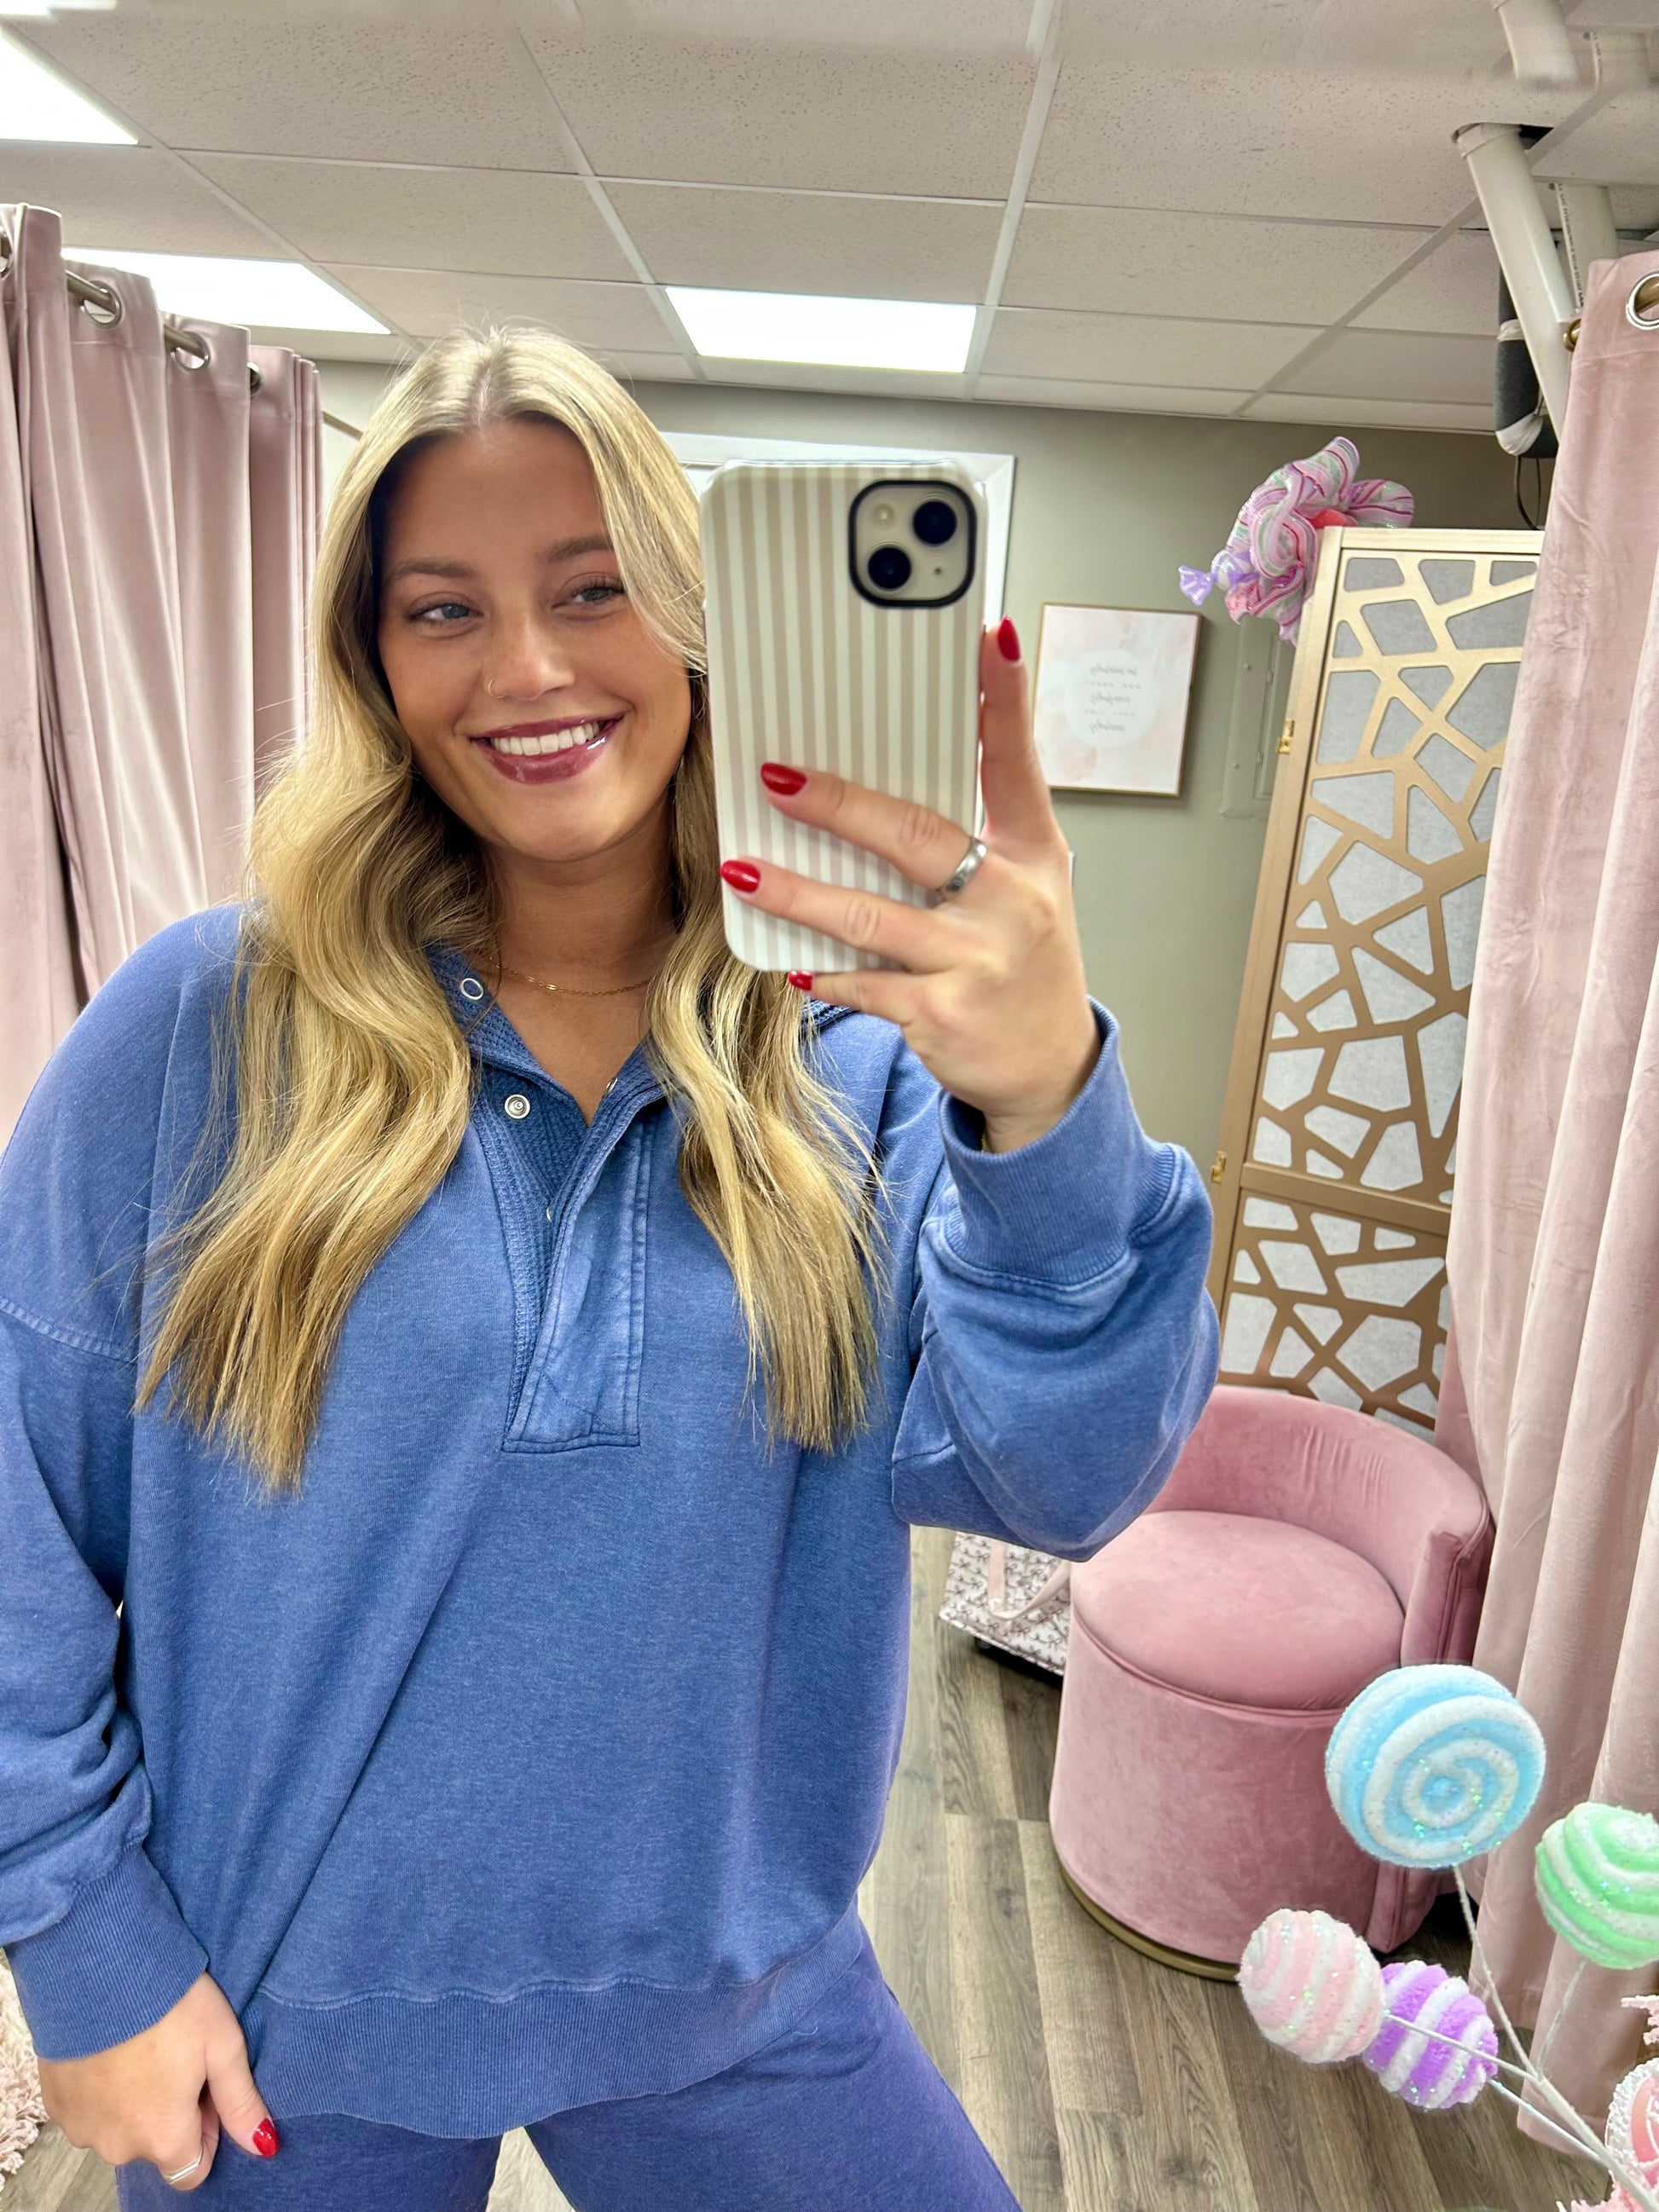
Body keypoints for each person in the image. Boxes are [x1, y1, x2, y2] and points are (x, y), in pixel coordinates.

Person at [0, 326, 1220, 2209]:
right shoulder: (205, 1027)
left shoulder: (868, 1067)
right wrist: (76, 1935)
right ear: (374, 661)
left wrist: (1047, 1103)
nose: (528, 668)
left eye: (593, 589)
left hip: (740, 2001)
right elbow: (13, 1499)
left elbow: (1062, 1485)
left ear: (700, 621)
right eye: (443, 608)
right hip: (269, 2024)